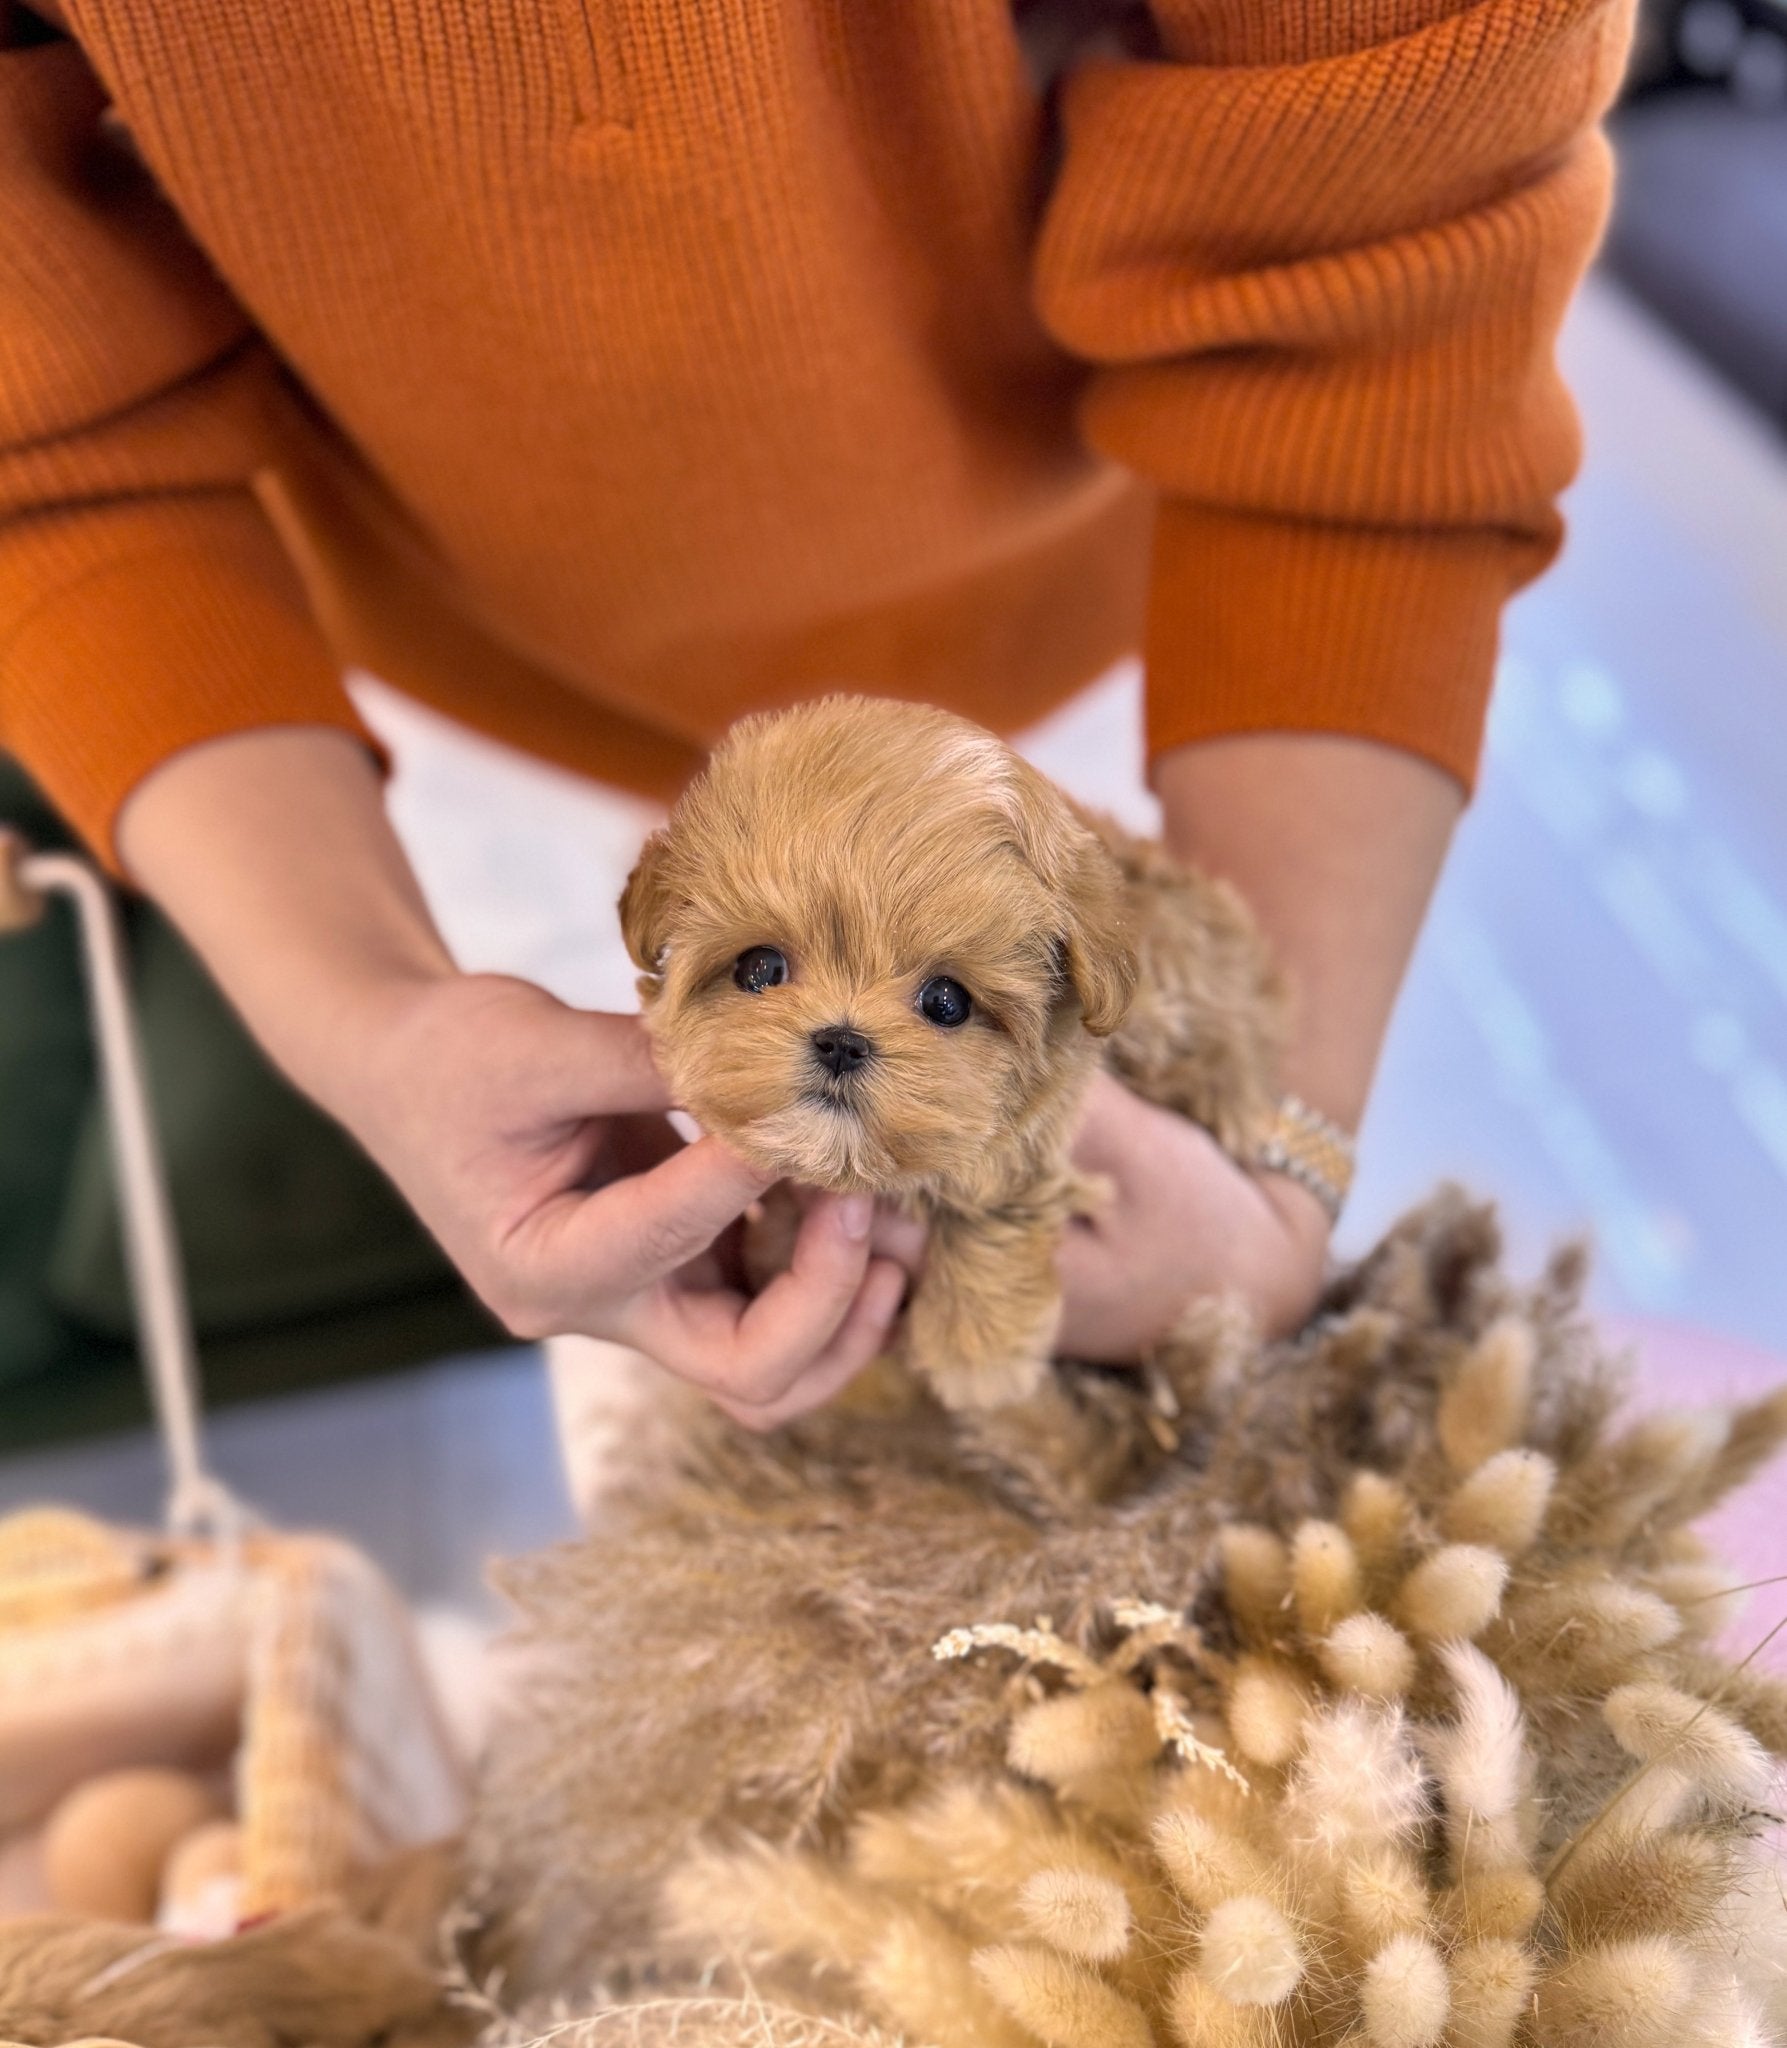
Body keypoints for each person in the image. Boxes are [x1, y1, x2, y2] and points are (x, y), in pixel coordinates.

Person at [0, 0, 1632, 1427]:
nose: (838, 1028)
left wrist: (1282, 1164)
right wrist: (366, 1018)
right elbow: (47, 452)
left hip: (1154, 589)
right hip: (425, 661)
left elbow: (1377, 323)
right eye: (766, 974)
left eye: (932, 998)